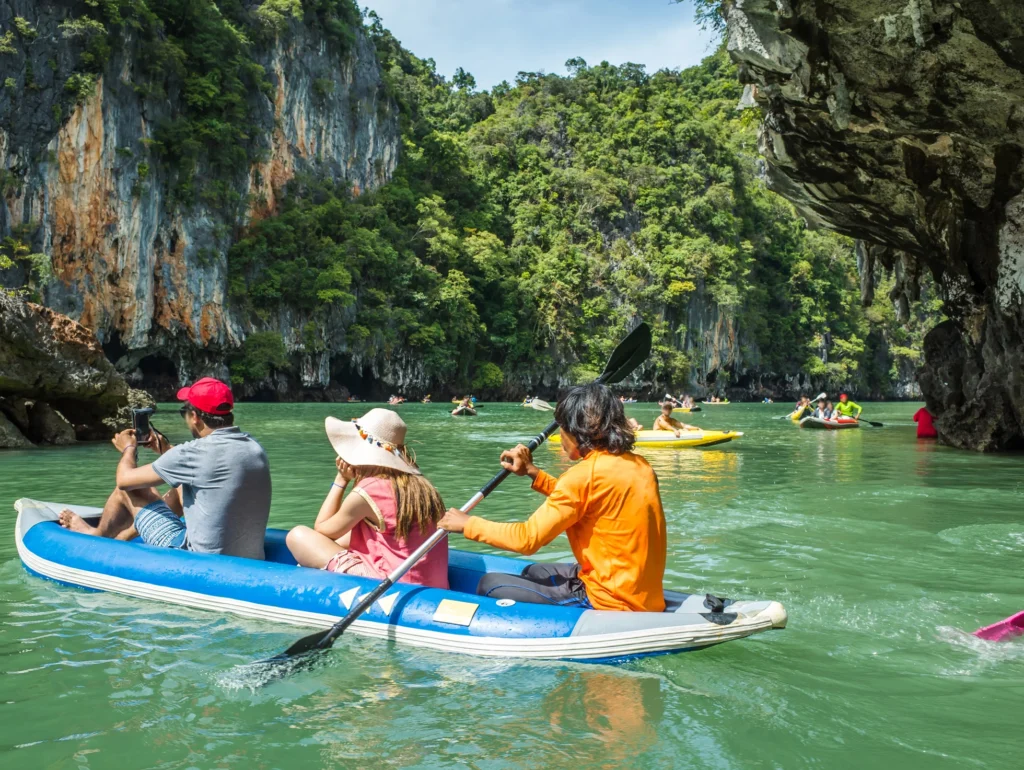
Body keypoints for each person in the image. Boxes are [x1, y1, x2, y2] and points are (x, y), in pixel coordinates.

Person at [437, 383, 666, 611]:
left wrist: (467, 524)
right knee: (533, 572)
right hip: (638, 587)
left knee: (490, 585)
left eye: (562, 429)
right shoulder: (640, 465)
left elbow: (527, 540)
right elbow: (585, 499)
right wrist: (532, 472)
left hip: (612, 599)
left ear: (577, 433)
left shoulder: (583, 475)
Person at [58, 378, 271, 560]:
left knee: (132, 490)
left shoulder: (193, 453)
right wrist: (166, 450)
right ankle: (122, 538)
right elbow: (209, 467)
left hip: (196, 556)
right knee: (182, 488)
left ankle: (96, 537)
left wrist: (128, 448)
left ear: (195, 416)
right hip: (248, 556)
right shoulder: (254, 447)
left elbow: (125, 480)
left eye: (184, 412)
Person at [286, 409, 449, 588]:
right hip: (432, 585)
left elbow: (322, 529)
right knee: (352, 533)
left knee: (298, 535)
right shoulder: (423, 486)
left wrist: (341, 480)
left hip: (391, 584)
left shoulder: (370, 489)